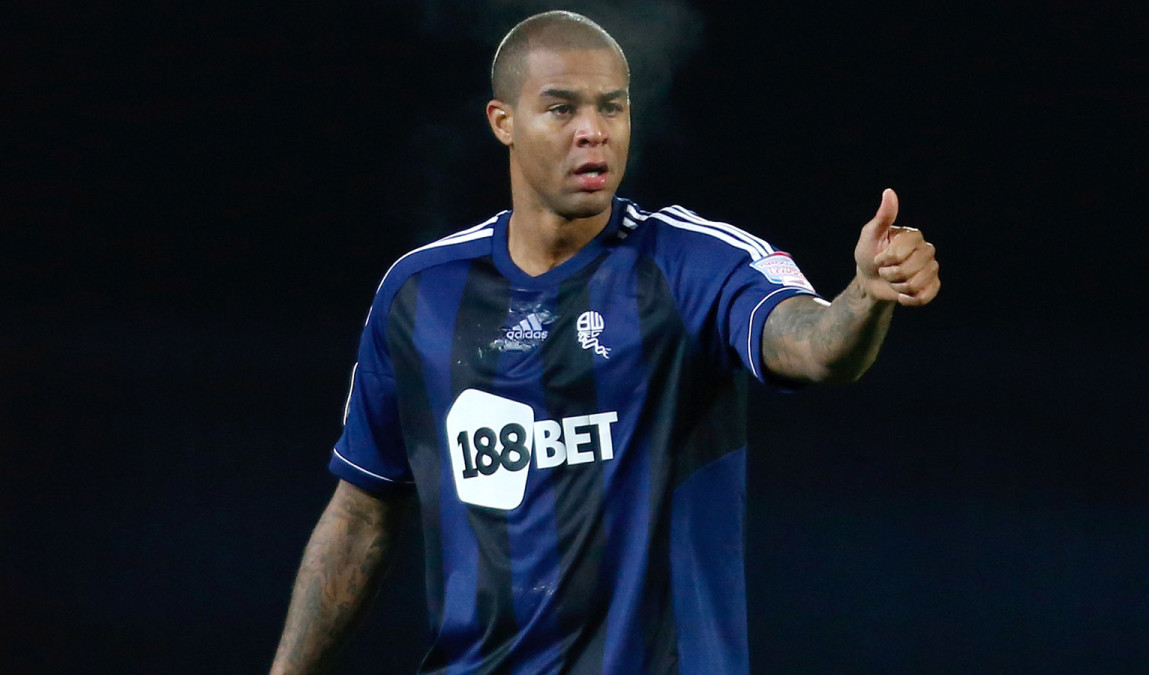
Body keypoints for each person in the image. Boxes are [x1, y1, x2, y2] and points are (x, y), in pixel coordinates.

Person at [270, 10, 940, 675]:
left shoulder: (691, 264)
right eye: (562, 109)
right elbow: (362, 511)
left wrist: (863, 297)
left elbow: (814, 345)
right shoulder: (420, 293)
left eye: (611, 108)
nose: (593, 131)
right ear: (503, 122)